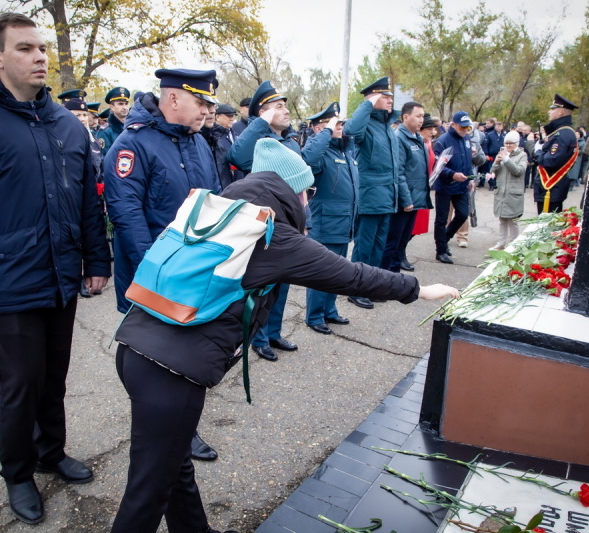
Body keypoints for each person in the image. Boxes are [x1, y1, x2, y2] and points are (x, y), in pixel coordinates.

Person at [111, 137, 460, 533]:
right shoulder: (272, 235)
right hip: (171, 373)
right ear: (295, 189)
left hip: (136, 350)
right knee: (146, 492)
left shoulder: (220, 210)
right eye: (309, 190)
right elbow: (352, 275)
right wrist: (418, 289)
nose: (309, 199)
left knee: (171, 463)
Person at [0, 13, 111, 524]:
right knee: (20, 383)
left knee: (55, 377)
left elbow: (85, 204)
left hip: (60, 277)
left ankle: (52, 453)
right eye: (26, 48)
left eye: (43, 49)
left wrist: (96, 260)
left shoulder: (66, 125)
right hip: (6, 282)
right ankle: (19, 473)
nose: (39, 58)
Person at [103, 68, 222, 462]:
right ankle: (162, 433)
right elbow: (127, 214)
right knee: (153, 361)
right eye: (201, 102)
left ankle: (182, 428)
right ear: (173, 99)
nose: (207, 110)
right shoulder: (132, 145)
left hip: (194, 274)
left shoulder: (198, 142)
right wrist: (159, 271)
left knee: (186, 356)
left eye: (209, 104)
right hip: (155, 277)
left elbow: (213, 203)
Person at [228, 80, 301, 362]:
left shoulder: (289, 141)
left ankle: (274, 332)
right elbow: (237, 157)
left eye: (285, 105)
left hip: (291, 219)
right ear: (263, 113)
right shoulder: (256, 139)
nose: (285, 110)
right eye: (277, 107)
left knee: (285, 279)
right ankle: (258, 337)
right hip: (267, 221)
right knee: (265, 283)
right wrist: (260, 123)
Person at [341, 76, 399, 310]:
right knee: (364, 246)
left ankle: (371, 287)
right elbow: (351, 130)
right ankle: (356, 289)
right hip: (370, 195)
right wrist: (367, 104)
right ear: (372, 98)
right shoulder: (366, 126)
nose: (389, 101)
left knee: (378, 246)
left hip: (387, 195)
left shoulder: (387, 127)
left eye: (390, 97)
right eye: (384, 97)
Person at [301, 102, 358, 335]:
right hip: (326, 223)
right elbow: (309, 159)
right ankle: (314, 316)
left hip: (344, 222)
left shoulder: (345, 151)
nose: (339, 127)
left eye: (340, 123)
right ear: (317, 129)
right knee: (322, 272)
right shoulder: (320, 152)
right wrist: (324, 133)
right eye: (332, 124)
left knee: (338, 271)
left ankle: (329, 310)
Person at [381, 101, 431, 273]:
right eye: (418, 116)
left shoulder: (417, 138)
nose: (421, 120)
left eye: (422, 116)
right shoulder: (399, 138)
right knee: (392, 242)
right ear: (405, 117)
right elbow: (398, 171)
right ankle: (386, 278)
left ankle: (395, 280)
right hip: (404, 201)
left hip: (415, 199)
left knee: (402, 243)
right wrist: (406, 198)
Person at [64, 98, 105, 298]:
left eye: (83, 115)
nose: (81, 118)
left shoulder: (93, 140)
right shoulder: (63, 137)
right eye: (76, 115)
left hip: (94, 196)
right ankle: (78, 279)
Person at [432, 111, 476, 264]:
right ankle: (441, 250)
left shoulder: (467, 139)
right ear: (454, 125)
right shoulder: (443, 141)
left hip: (462, 184)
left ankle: (444, 238)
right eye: (462, 127)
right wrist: (452, 174)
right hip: (446, 185)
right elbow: (437, 167)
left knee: (463, 214)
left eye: (467, 128)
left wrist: (470, 178)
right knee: (441, 219)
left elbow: (467, 161)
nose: (465, 130)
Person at [534, 94, 579, 213]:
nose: (549, 111)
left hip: (552, 187)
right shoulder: (562, 132)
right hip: (553, 188)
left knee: (546, 226)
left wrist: (538, 151)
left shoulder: (562, 134)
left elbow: (550, 161)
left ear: (561, 112)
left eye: (553, 109)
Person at [489, 131, 528, 250]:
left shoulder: (522, 155)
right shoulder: (502, 153)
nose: (508, 146)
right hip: (501, 191)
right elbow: (493, 172)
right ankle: (501, 242)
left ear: (516, 143)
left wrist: (506, 159)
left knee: (513, 220)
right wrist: (496, 162)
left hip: (513, 193)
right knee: (502, 219)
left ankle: (513, 244)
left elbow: (518, 171)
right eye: (506, 143)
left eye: (511, 143)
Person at [96, 86, 130, 156]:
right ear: (112, 107)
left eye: (126, 104)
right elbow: (103, 157)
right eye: (120, 104)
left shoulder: (131, 128)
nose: (124, 107)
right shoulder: (105, 131)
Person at [482, 121, 505, 190]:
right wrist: (486, 154)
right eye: (498, 126)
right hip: (492, 154)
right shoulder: (490, 134)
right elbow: (485, 144)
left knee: (500, 169)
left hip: (501, 154)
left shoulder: (504, 135)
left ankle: (498, 184)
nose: (499, 127)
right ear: (495, 127)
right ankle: (491, 184)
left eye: (500, 126)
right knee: (491, 169)